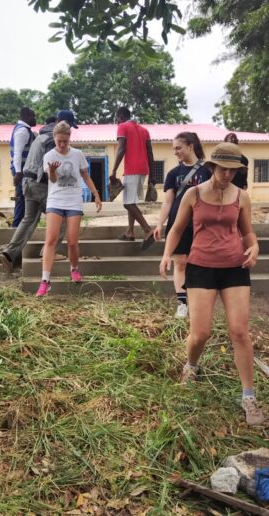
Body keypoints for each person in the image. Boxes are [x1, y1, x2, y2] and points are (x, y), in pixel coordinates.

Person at [159, 142, 265, 426]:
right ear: (212, 167)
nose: (227, 174)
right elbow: (177, 228)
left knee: (240, 332)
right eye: (223, 169)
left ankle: (248, 397)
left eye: (233, 170)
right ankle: (191, 366)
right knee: (201, 333)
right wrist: (167, 255)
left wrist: (253, 248)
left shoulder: (241, 197)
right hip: (201, 267)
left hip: (234, 268)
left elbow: (248, 233)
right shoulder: (193, 194)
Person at [0, 111, 79, 273]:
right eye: (69, 126)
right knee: (63, 218)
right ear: (61, 123)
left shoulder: (40, 136)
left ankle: (9, 253)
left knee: (28, 219)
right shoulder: (52, 139)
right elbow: (54, 165)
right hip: (40, 184)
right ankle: (48, 252)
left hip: (27, 183)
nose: (69, 131)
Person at [36, 121, 102, 296]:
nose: (63, 145)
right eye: (59, 141)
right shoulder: (49, 156)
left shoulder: (77, 154)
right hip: (55, 201)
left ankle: (74, 269)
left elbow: (85, 176)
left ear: (69, 138)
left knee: (72, 242)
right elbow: (52, 180)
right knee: (50, 239)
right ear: (54, 138)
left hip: (73, 201)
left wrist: (96, 194)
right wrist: (51, 171)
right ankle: (45, 281)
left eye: (65, 141)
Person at [153, 132, 211, 318]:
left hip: (201, 224)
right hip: (178, 223)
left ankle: (197, 301)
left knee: (197, 263)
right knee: (180, 262)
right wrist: (160, 224)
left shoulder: (207, 171)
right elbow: (168, 202)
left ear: (190, 146)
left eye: (178, 148)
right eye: (174, 149)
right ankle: (182, 303)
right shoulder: (173, 174)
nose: (176, 152)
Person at [109, 106, 156, 250]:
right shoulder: (144, 130)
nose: (117, 122)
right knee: (132, 201)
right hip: (143, 170)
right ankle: (130, 231)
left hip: (132, 169)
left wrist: (114, 170)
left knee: (128, 203)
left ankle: (148, 230)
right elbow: (150, 153)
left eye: (117, 119)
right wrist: (152, 175)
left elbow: (121, 149)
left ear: (120, 117)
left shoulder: (123, 127)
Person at [10, 107, 37, 227]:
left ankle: (19, 227)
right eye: (33, 116)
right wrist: (18, 173)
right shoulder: (22, 131)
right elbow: (17, 153)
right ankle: (16, 228)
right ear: (27, 117)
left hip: (23, 171)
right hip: (21, 171)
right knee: (21, 200)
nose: (35, 119)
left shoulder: (26, 130)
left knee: (23, 200)